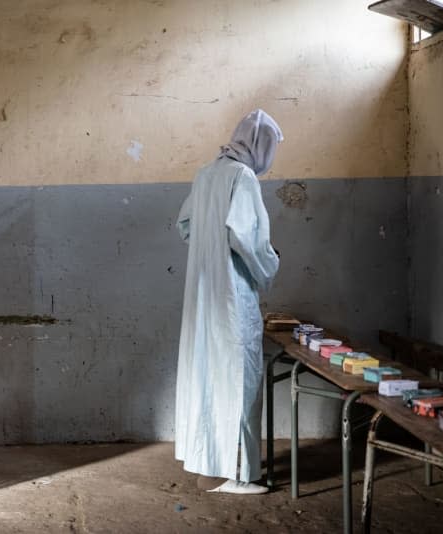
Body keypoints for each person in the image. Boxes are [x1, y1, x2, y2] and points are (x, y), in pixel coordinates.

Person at [174, 109, 282, 495]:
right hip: (232, 295)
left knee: (208, 374)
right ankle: (236, 473)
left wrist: (208, 250)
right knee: (239, 378)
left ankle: (208, 459)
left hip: (204, 294)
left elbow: (184, 224)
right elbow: (246, 238)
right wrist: (271, 262)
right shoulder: (243, 176)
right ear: (261, 146)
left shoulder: (206, 173)